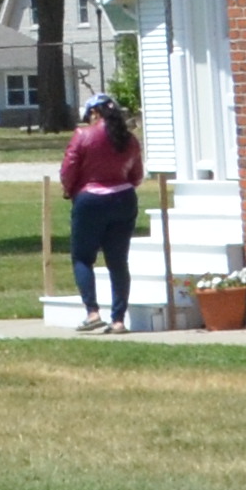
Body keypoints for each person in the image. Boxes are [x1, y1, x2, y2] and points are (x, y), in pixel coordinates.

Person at [58, 94, 146, 330]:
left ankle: (93, 313)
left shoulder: (83, 135)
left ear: (94, 113)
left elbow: (68, 170)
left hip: (90, 201)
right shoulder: (129, 139)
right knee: (118, 262)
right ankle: (118, 320)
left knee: (82, 257)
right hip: (124, 199)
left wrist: (69, 191)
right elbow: (136, 175)